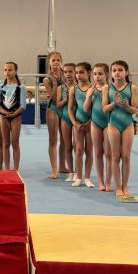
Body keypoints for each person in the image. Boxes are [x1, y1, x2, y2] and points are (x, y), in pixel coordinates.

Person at [102, 60, 138, 198]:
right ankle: (118, 187)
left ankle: (125, 186)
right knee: (115, 156)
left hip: (127, 124)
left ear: (126, 72)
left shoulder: (132, 87)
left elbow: (135, 110)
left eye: (120, 70)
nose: (117, 72)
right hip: (113, 124)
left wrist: (126, 106)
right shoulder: (107, 88)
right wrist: (114, 103)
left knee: (126, 156)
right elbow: (104, 109)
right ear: (111, 73)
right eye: (114, 70)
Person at [83, 63, 112, 191]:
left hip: (108, 123)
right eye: (95, 74)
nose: (97, 77)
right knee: (98, 153)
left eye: (100, 74)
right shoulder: (91, 89)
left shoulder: (110, 89)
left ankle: (108, 181)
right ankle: (100, 181)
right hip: (95, 123)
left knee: (108, 153)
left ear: (107, 74)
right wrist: (89, 96)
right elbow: (85, 109)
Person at [0, 61, 26, 171]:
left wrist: (14, 113)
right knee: (5, 143)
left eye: (10, 70)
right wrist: (4, 112)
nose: (7, 72)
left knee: (15, 143)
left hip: (16, 117)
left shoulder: (20, 87)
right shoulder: (1, 86)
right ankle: (7, 169)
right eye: (5, 70)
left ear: (15, 71)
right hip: (4, 117)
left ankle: (16, 169)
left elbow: (23, 105)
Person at [69, 62, 94, 187]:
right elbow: (70, 109)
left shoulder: (94, 88)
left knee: (89, 150)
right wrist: (75, 124)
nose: (78, 75)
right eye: (77, 72)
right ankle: (78, 177)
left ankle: (87, 178)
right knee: (78, 150)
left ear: (89, 73)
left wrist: (91, 122)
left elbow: (96, 108)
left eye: (81, 72)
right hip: (78, 123)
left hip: (91, 123)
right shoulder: (73, 89)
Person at [43, 51, 66, 179]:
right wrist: (56, 82)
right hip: (53, 108)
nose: (56, 62)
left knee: (65, 139)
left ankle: (62, 166)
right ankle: (54, 170)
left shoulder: (67, 74)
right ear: (49, 62)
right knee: (53, 140)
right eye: (53, 60)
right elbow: (54, 97)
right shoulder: (47, 79)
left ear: (61, 61)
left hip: (65, 108)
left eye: (58, 60)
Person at [56, 62, 76, 182]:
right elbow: (58, 105)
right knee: (68, 146)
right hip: (65, 118)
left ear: (75, 72)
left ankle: (78, 172)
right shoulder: (61, 88)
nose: (68, 74)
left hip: (78, 118)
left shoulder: (79, 87)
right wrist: (66, 99)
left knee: (78, 148)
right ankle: (71, 172)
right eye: (66, 72)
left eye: (70, 71)